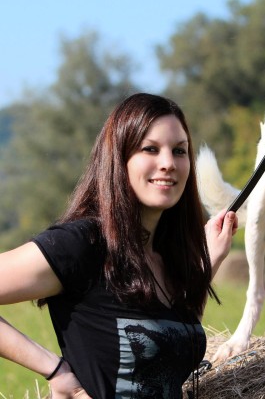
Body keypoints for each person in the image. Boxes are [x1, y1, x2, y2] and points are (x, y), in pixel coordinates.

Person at [0, 93, 238, 398]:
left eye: (179, 151)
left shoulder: (165, 256)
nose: (168, 163)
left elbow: (167, 349)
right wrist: (56, 371)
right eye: (150, 149)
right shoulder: (83, 244)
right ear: (119, 158)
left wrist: (204, 268)